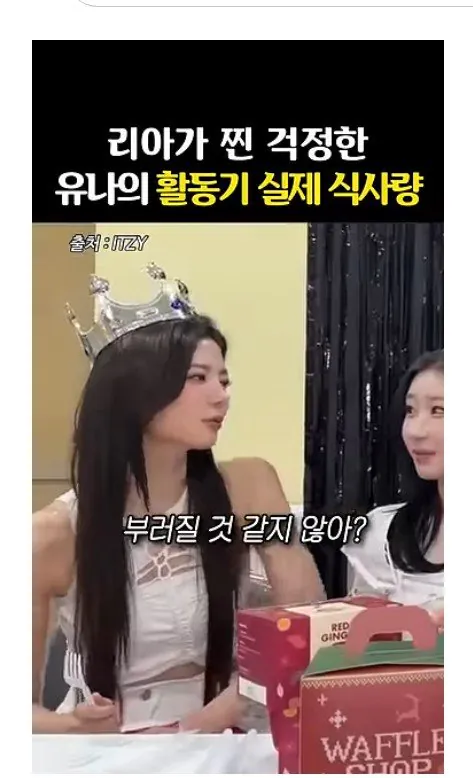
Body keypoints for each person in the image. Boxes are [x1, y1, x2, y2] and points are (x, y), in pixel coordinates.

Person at [32, 264, 324, 735]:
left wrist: (207, 721)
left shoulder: (249, 486)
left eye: (223, 380)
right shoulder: (54, 533)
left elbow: (306, 621)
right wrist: (74, 726)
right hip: (115, 749)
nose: (221, 396)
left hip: (230, 731)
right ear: (135, 392)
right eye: (198, 378)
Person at [342, 350, 444, 623]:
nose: (415, 431)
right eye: (410, 411)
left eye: (438, 411)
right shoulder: (380, 533)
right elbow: (360, 636)